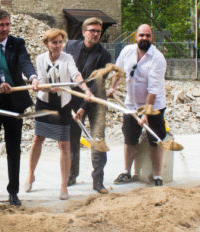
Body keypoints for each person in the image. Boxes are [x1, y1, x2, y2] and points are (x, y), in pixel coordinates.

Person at [0, 9, 38, 206]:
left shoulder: (17, 43)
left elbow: (24, 61)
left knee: (13, 148)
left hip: (14, 103)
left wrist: (33, 76)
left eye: (8, 24)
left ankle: (13, 191)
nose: (5, 29)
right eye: (1, 25)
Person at [24, 28, 92, 200]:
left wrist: (85, 89)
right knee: (38, 138)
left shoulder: (67, 57)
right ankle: (30, 175)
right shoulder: (40, 59)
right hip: (45, 101)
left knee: (64, 144)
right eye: (54, 42)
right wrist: (45, 86)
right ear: (47, 44)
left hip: (62, 103)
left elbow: (75, 74)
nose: (58, 45)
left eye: (60, 42)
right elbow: (41, 79)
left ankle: (63, 186)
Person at [107, 24, 168, 186]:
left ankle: (157, 176)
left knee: (155, 140)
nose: (144, 38)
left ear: (151, 37)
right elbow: (118, 70)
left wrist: (146, 114)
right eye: (141, 35)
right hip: (131, 104)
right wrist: (113, 87)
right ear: (136, 36)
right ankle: (127, 172)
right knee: (129, 139)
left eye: (147, 36)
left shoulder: (157, 58)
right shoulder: (127, 51)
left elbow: (153, 89)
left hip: (153, 106)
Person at [64, 17, 112, 194]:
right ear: (84, 32)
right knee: (72, 138)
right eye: (92, 30)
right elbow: (64, 69)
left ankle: (98, 180)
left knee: (97, 139)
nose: (96, 34)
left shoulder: (105, 56)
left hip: (96, 102)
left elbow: (95, 84)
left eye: (98, 31)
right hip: (73, 99)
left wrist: (83, 107)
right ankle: (71, 174)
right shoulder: (70, 47)